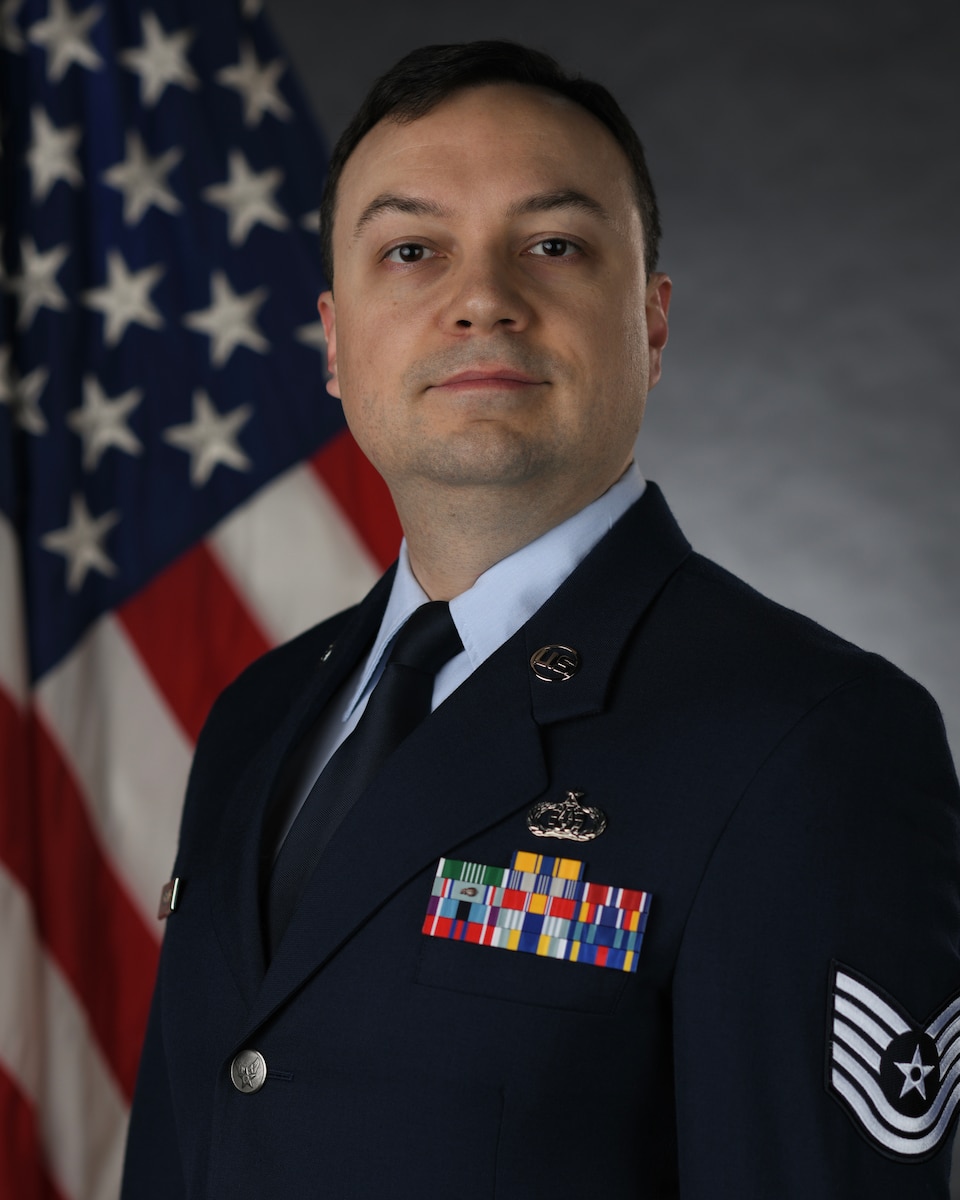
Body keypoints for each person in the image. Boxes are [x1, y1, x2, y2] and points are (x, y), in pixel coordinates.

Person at [122, 41, 960, 1198]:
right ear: (332, 341)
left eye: (554, 245)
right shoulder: (255, 718)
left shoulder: (810, 741)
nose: (482, 299)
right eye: (411, 251)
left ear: (653, 325)